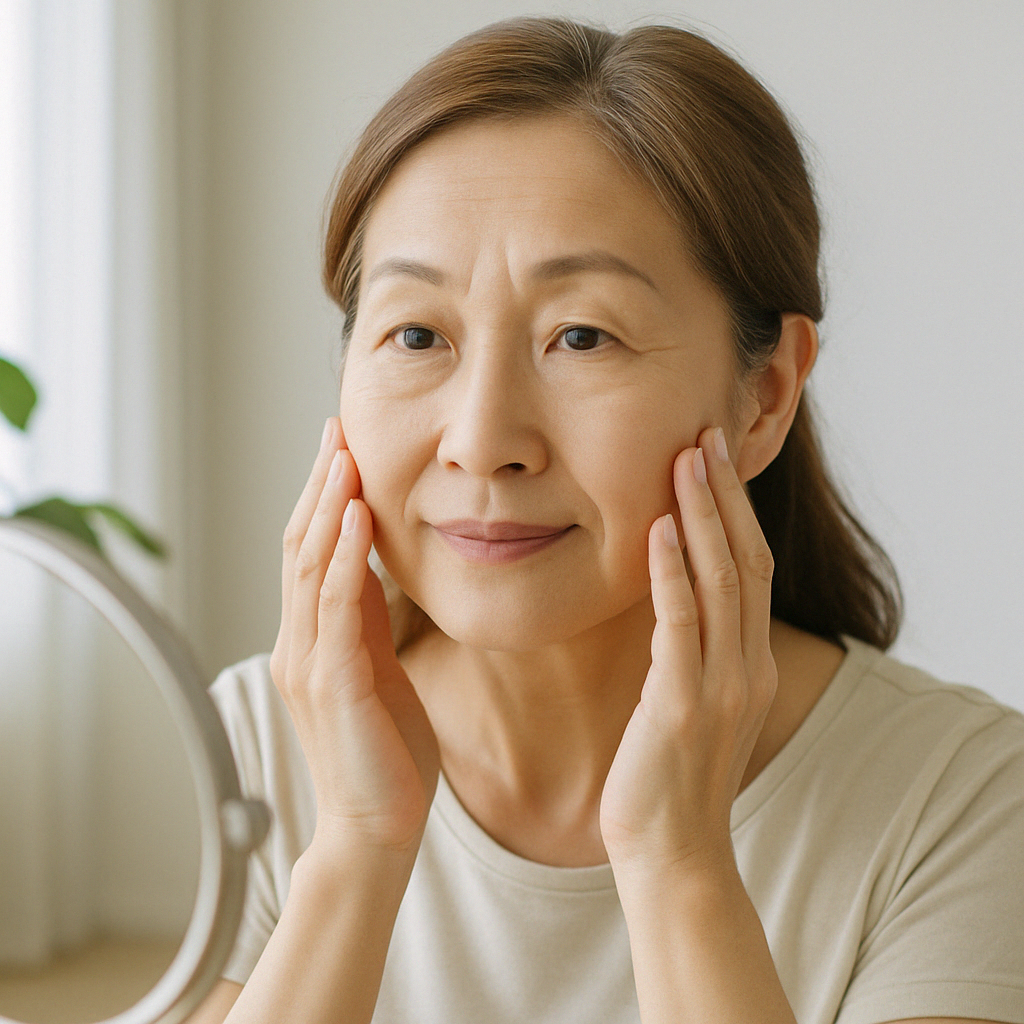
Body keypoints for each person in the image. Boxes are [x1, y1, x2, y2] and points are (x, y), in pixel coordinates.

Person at [191, 16, 1024, 1024]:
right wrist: (359, 844)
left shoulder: (966, 801)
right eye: (416, 333)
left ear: (761, 395)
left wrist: (679, 861)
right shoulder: (249, 748)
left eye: (581, 335)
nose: (483, 437)